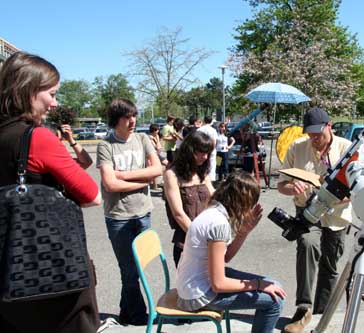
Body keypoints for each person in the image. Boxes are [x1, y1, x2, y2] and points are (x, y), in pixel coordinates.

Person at [0, 51, 102, 333]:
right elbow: (92, 194)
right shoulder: (37, 137)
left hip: (7, 275)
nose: (55, 103)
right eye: (52, 93)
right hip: (52, 276)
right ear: (28, 90)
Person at [176, 171, 286, 333]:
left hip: (195, 283)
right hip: (198, 296)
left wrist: (243, 232)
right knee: (275, 301)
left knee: (273, 285)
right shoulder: (218, 223)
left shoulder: (213, 212)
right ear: (243, 201)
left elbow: (225, 257)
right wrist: (257, 285)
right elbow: (219, 284)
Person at [277, 107, 352, 333]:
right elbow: (281, 185)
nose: (314, 139)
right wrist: (292, 187)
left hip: (336, 216)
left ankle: (321, 313)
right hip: (306, 214)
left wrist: (336, 195)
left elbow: (355, 188)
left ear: (329, 126)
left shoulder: (346, 149)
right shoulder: (296, 148)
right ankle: (303, 309)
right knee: (307, 245)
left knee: (330, 265)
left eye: (318, 134)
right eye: (310, 134)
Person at [96, 98, 162, 326]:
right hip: (118, 217)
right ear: (116, 120)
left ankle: (125, 312)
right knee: (129, 269)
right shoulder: (106, 145)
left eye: (134, 115)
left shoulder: (143, 139)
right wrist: (142, 181)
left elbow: (157, 170)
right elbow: (110, 185)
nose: (132, 121)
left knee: (139, 267)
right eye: (127, 117)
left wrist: (123, 175)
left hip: (143, 213)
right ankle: (139, 317)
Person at [163, 130, 215, 267]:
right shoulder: (171, 175)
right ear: (189, 151)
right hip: (187, 244)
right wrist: (201, 239)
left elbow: (215, 199)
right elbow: (178, 214)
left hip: (209, 241)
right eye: (201, 152)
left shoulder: (202, 172)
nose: (205, 157)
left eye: (208, 153)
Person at [197, 115, 218, 181]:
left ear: (204, 120)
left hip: (201, 150)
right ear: (211, 121)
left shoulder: (199, 129)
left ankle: (200, 179)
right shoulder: (213, 130)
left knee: (200, 165)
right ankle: (211, 181)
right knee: (211, 166)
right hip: (211, 150)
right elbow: (214, 142)